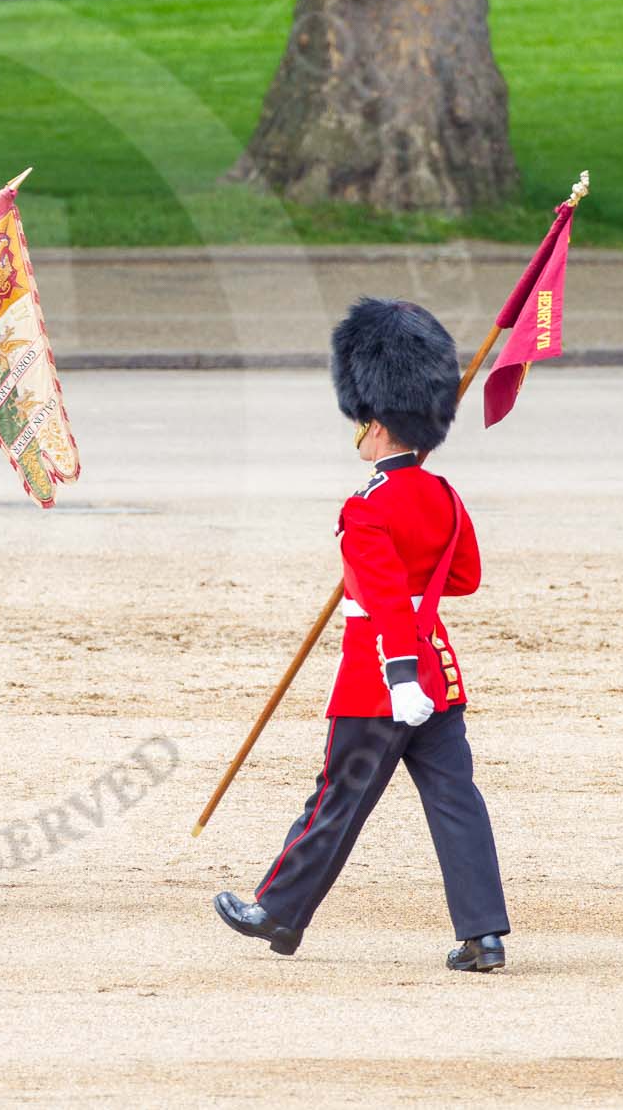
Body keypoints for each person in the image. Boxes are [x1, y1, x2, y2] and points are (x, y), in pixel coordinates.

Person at [214, 298, 511, 971]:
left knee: (337, 799)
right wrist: (414, 615)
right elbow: (462, 578)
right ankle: (483, 932)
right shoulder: (445, 497)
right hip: (438, 674)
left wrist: (398, 668)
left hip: (381, 680)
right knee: (455, 802)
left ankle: (277, 910)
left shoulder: (366, 506)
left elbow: (379, 599)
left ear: (375, 424)